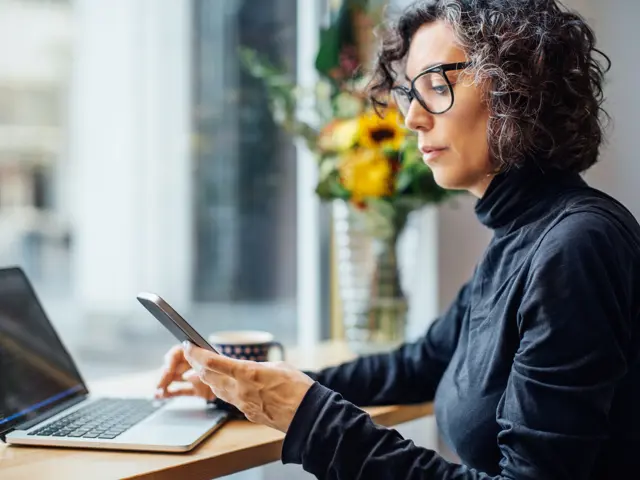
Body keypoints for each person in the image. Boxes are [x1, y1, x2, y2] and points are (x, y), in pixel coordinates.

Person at [156, 0, 640, 478]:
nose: (411, 119)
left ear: (518, 86)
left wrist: (310, 417)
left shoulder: (575, 246)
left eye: (436, 84)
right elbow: (420, 364)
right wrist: (252, 388)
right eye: (412, 92)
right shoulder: (523, 236)